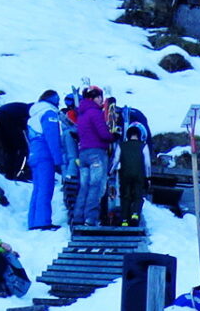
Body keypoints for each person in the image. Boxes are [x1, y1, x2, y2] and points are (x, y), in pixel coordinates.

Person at [69, 85, 114, 228]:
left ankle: (78, 217)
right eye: (100, 97)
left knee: (84, 187)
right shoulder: (95, 113)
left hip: (83, 154)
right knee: (96, 186)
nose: (101, 100)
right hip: (97, 153)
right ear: (94, 98)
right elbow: (103, 133)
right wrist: (113, 135)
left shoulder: (81, 114)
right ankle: (90, 218)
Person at [26, 89, 68, 230]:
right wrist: (58, 160)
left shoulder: (34, 115)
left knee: (37, 189)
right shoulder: (49, 113)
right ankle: (42, 222)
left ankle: (33, 221)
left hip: (34, 154)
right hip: (45, 155)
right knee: (45, 188)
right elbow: (52, 138)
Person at [112, 99, 152, 226]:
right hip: (139, 174)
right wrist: (148, 177)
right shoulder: (143, 146)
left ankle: (124, 220)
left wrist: (110, 171)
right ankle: (135, 214)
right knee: (138, 195)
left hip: (124, 174)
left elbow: (116, 160)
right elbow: (147, 163)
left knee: (125, 196)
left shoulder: (121, 145)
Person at [0, 96, 32, 179]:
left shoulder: (24, 107)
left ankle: (8, 172)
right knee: (22, 148)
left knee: (9, 149)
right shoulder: (34, 111)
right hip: (8, 118)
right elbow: (26, 127)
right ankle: (19, 173)